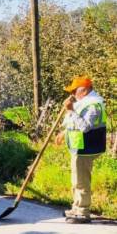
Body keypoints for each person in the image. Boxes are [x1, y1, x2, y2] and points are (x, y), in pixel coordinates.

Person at [55, 76, 107, 224]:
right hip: (79, 146)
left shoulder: (94, 105)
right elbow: (77, 123)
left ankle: (83, 212)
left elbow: (85, 127)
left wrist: (71, 111)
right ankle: (76, 208)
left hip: (88, 147)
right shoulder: (84, 103)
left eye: (74, 90)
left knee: (82, 181)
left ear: (83, 90)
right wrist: (64, 132)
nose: (71, 94)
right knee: (76, 180)